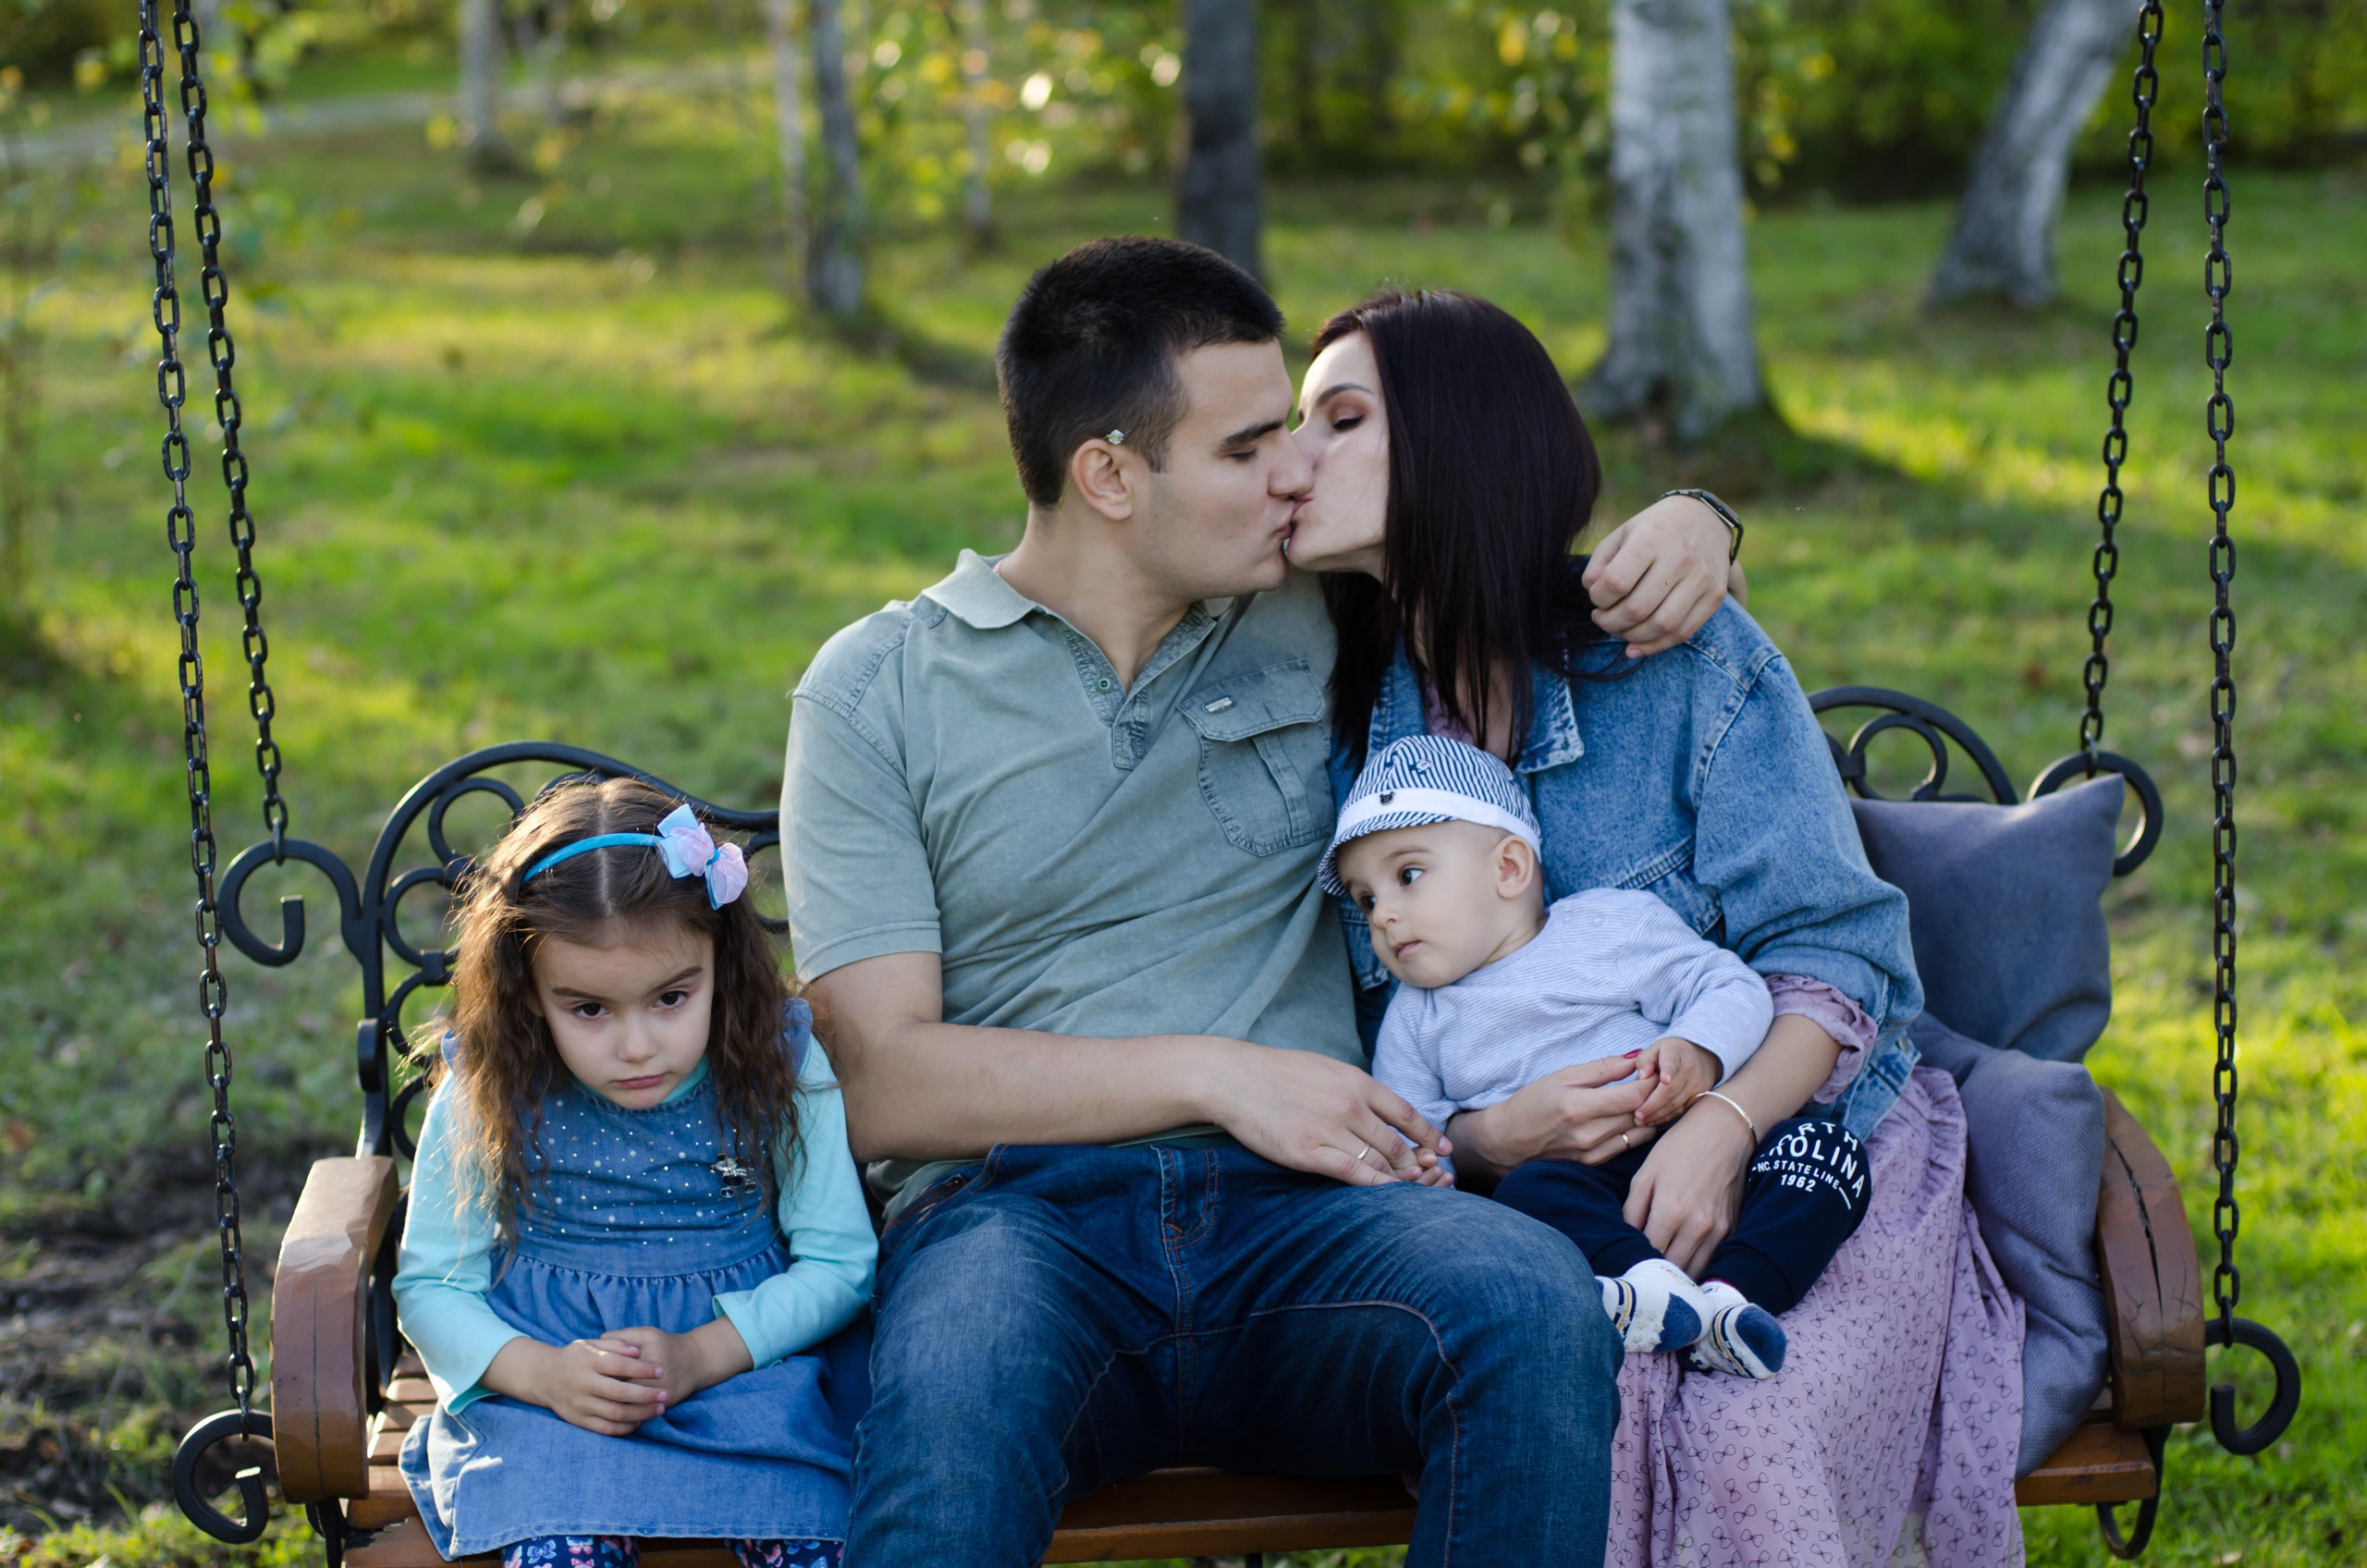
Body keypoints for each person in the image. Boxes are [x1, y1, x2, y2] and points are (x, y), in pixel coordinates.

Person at [779, 237, 1741, 1568]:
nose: (1293, 467)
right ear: (1109, 474)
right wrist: (1219, 1076)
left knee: (1525, 1301)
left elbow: (1486, 521)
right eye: (1245, 448)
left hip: (1316, 1222)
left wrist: (1699, 518)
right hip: (1017, 1227)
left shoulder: (1316, 610)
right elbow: (882, 1083)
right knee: (952, 1388)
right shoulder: (877, 689)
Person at [1290, 287, 2028, 1563]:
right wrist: (1488, 1139)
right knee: (1588, 1397)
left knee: (1750, 1415)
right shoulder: (1330, 710)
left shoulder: (1675, 658)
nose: (1294, 462)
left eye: (1339, 420)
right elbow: (1387, 1041)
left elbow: (1837, 955)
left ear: (1458, 437)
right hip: (1554, 1200)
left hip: (1804, 1143)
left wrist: (1724, 1129)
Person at [392, 778, 875, 1568]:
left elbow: (839, 1264)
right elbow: (433, 1287)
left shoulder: (779, 1064)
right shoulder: (493, 1081)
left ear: (721, 965)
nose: (637, 1046)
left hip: (745, 1379)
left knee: (809, 1533)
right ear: (528, 994)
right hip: (556, 1395)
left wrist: (703, 1355)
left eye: (671, 998)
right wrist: (544, 1376)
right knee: (553, 1540)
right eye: (588, 1009)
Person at [1330, 733, 1873, 1379]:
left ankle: (1734, 1303)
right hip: (1575, 1183)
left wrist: (1697, 1050)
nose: (1383, 915)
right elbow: (1410, 1133)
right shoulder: (1416, 1018)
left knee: (1826, 1153)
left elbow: (1728, 986)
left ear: (1508, 868)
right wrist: (1427, 1168)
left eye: (1407, 876)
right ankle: (1647, 1291)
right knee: (1528, 1194)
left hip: (1697, 1147)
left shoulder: (1608, 926)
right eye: (1365, 899)